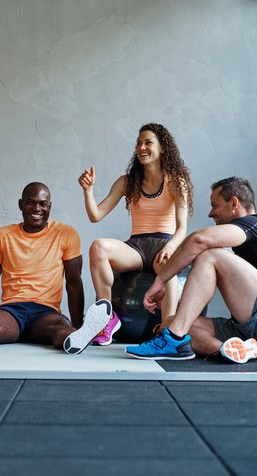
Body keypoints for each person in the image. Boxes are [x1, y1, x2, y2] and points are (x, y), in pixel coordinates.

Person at [126, 176, 257, 363]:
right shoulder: (244, 239)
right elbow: (198, 268)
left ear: (234, 203)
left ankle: (172, 339)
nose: (210, 213)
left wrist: (160, 281)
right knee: (170, 322)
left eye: (215, 205)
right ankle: (235, 350)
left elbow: (199, 240)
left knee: (210, 254)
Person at [0, 182, 112, 354]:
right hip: (10, 311)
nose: (37, 209)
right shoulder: (1, 235)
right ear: (20, 204)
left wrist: (77, 324)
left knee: (61, 328)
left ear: (49, 206)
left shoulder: (66, 234)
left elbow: (73, 283)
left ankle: (79, 336)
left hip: (45, 312)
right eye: (30, 203)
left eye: (43, 204)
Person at [78, 123, 192, 345]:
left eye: (148, 142)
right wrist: (88, 191)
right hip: (136, 247)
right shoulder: (127, 182)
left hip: (165, 244)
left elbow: (182, 227)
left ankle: (166, 330)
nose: (142, 147)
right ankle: (107, 318)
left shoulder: (176, 181)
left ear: (162, 148)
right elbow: (95, 215)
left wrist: (169, 248)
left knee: (168, 273)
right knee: (98, 248)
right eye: (139, 143)